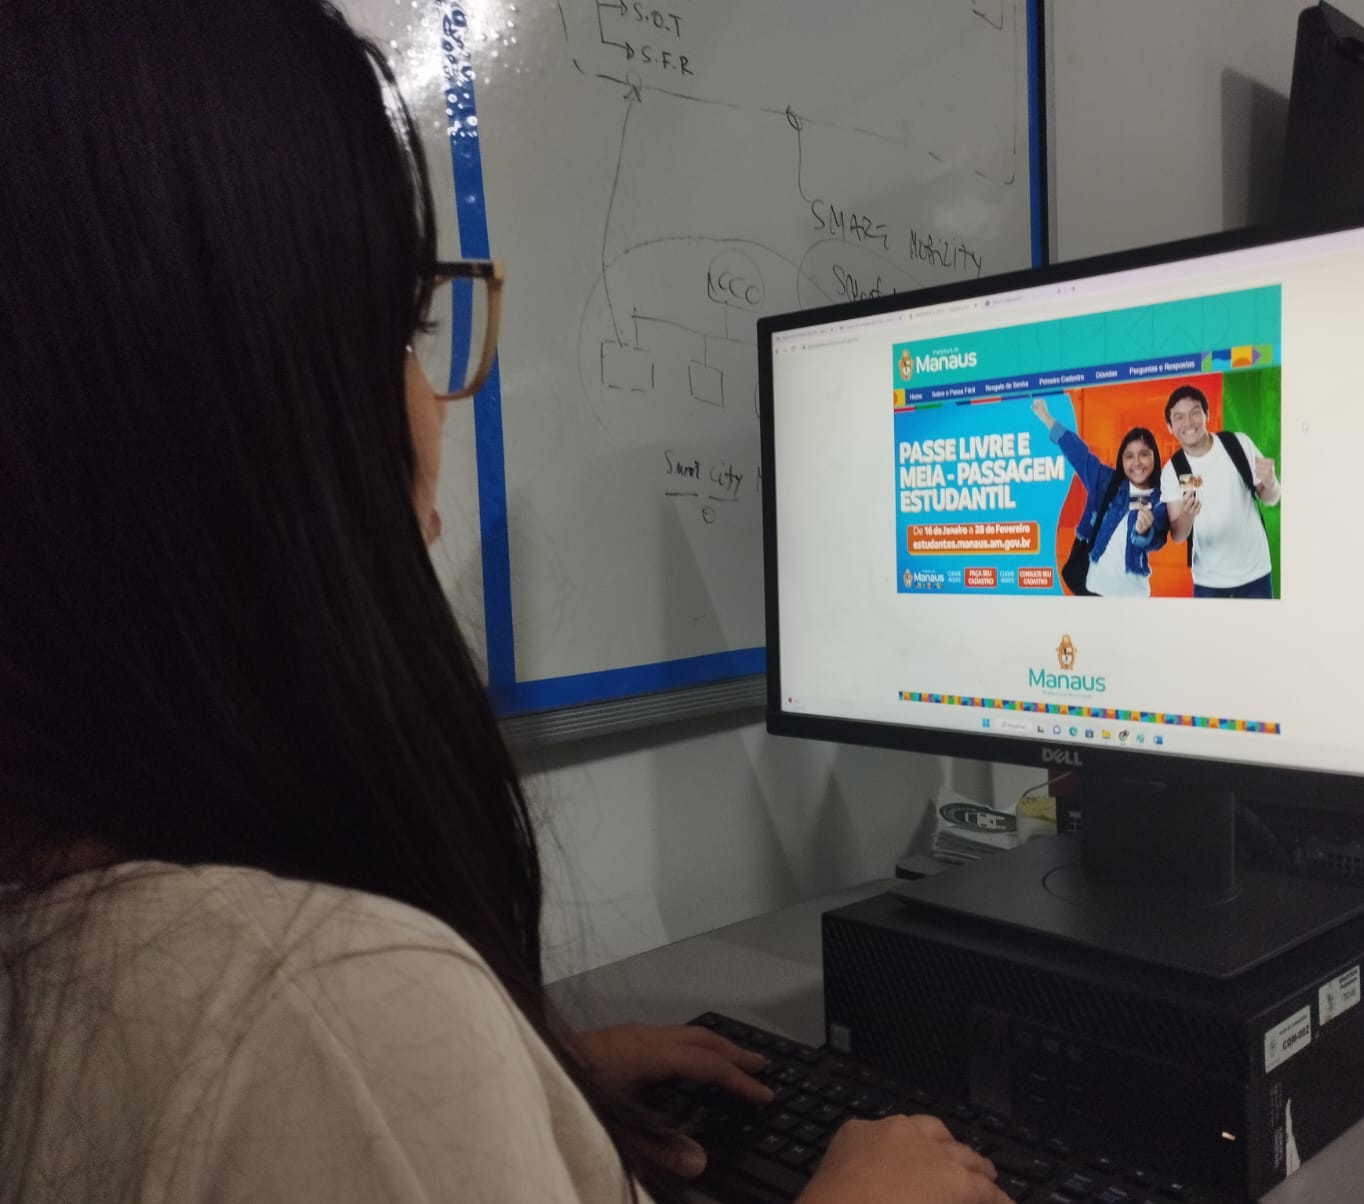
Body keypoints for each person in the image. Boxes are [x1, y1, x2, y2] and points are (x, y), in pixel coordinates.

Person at [0, 4, 1008, 1203]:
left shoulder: (75, 917)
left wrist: (513, 1086)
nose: (434, 400)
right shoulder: (317, 1002)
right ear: (244, 410)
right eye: (407, 327)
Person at [1031, 399, 1166, 597]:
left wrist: (1144, 532)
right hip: (1093, 588)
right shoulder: (1106, 481)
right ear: (1121, 461)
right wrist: (1046, 418)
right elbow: (1079, 454)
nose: (1136, 462)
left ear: (1154, 456)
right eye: (1129, 456)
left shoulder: (1161, 497)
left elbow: (1158, 539)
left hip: (1133, 595)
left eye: (1144, 454)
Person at [1159, 384, 1281, 599]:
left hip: (1256, 573)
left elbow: (1270, 499)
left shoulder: (1238, 444)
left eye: (1194, 412)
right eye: (1179, 417)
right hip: (1208, 581)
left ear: (1207, 414)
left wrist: (1271, 483)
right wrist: (1187, 516)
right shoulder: (1172, 470)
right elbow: (1178, 535)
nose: (1188, 422)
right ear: (1170, 427)